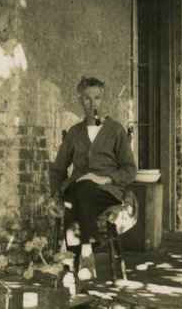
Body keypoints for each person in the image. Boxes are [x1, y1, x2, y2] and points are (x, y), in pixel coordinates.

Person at [48, 76, 137, 289]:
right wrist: (55, 194)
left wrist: (102, 178)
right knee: (75, 193)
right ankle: (85, 256)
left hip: (106, 191)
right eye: (87, 98)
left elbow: (130, 170)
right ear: (80, 100)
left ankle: (69, 258)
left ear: (102, 98)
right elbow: (58, 168)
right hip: (80, 190)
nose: (92, 103)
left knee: (78, 194)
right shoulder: (75, 133)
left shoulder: (115, 131)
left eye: (96, 98)